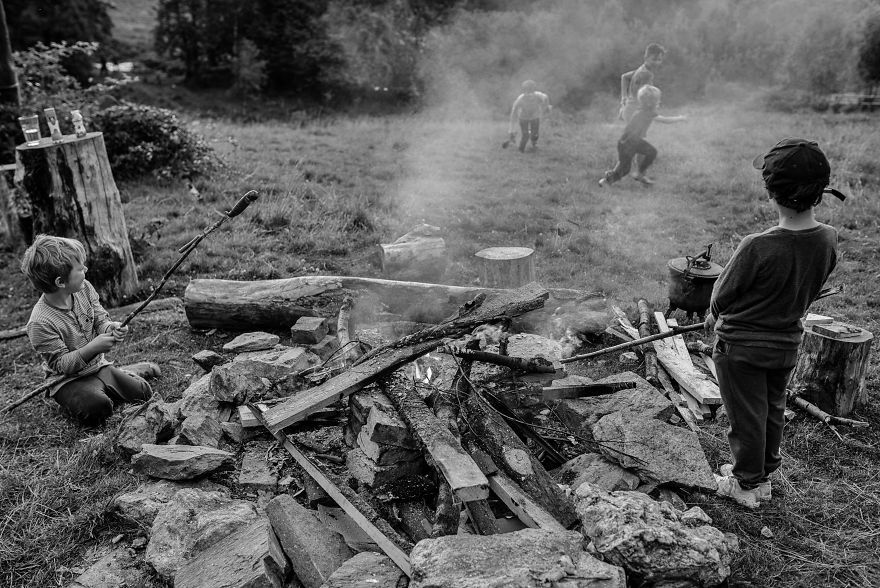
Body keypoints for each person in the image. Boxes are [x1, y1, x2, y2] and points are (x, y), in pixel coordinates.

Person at [707, 138, 845, 508]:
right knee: (770, 409)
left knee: (745, 416)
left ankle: (746, 484)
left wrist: (713, 317)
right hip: (786, 344)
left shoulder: (757, 245)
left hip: (741, 348)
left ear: (771, 192)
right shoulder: (828, 239)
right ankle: (762, 474)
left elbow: (721, 296)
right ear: (821, 192)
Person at [21, 235, 152, 425]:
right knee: (97, 409)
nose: (86, 270)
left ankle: (121, 375)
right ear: (60, 282)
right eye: (80, 268)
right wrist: (94, 347)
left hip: (98, 367)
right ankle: (106, 385)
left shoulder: (84, 289)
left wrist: (109, 327)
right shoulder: (40, 322)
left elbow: (99, 317)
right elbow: (62, 365)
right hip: (67, 381)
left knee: (144, 393)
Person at [598, 85, 685, 187]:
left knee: (624, 167)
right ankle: (638, 174)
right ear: (649, 103)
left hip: (625, 142)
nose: (659, 102)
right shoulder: (648, 113)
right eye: (657, 101)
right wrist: (680, 118)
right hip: (631, 142)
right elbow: (665, 120)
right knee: (650, 153)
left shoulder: (640, 111)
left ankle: (607, 180)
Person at [620, 43, 665, 123]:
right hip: (634, 111)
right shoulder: (647, 74)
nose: (657, 62)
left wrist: (624, 97)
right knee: (636, 134)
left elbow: (624, 77)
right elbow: (647, 96)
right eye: (654, 59)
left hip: (629, 109)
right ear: (646, 58)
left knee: (636, 134)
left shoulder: (641, 69)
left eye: (659, 60)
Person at [507, 80, 552, 153]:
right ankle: (521, 148)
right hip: (523, 118)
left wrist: (546, 107)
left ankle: (534, 144)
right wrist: (511, 131)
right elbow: (513, 114)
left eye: (531, 90)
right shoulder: (520, 99)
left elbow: (546, 97)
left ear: (534, 89)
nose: (529, 94)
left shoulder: (538, 95)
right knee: (525, 134)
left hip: (535, 116)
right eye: (527, 91)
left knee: (535, 133)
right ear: (524, 90)